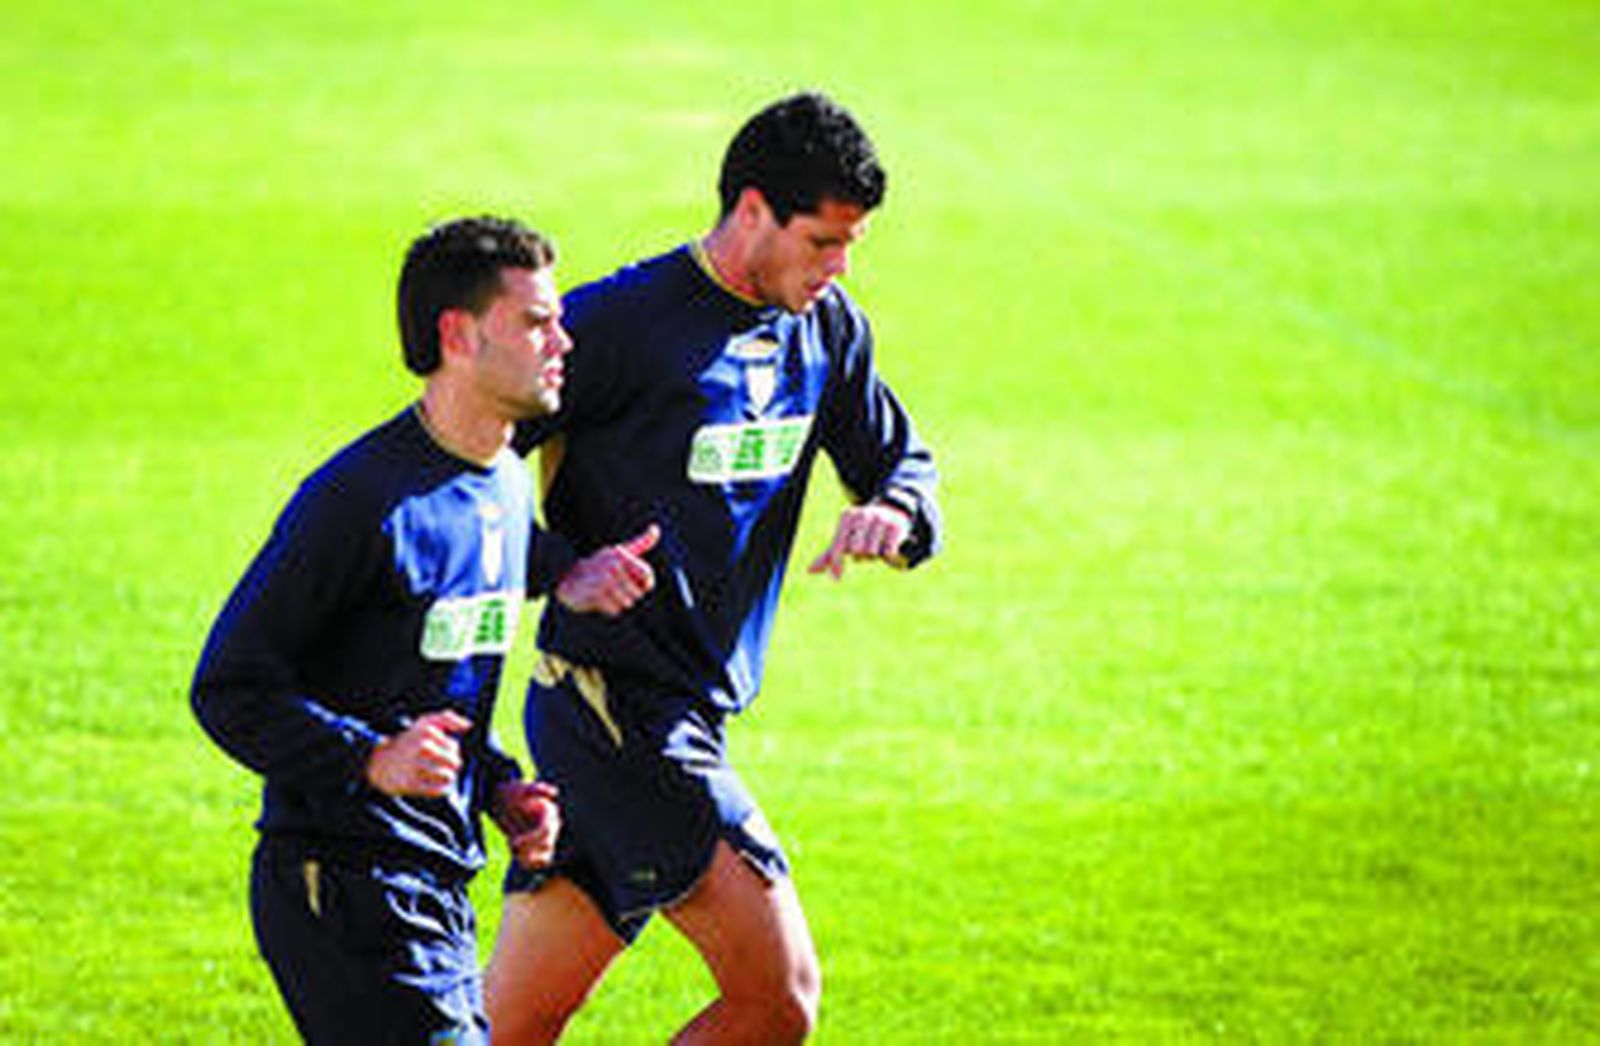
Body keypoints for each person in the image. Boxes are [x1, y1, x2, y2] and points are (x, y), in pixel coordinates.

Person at [485, 92, 942, 1043]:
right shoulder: (614, 326)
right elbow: (459, 475)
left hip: (683, 716)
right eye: (822, 241)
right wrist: (559, 566)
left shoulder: (827, 329)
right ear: (750, 212)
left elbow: (897, 456)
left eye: (852, 244)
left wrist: (892, 510)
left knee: (510, 1025)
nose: (841, 267)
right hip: (617, 718)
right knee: (779, 999)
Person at [191, 216, 656, 1044]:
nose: (565, 342)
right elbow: (228, 685)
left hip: (437, 882)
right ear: (459, 334)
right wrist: (369, 760)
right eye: (537, 321)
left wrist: (499, 788)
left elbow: (426, 691)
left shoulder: (507, 488)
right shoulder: (362, 501)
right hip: (343, 883)